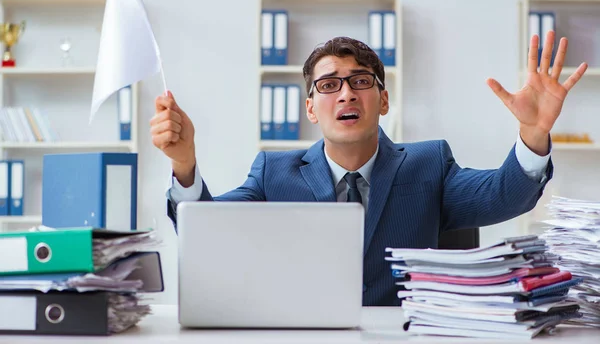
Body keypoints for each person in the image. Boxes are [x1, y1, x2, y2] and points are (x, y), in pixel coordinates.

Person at [151, 33, 587, 306]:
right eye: (329, 85)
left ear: (383, 101)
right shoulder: (273, 173)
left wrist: (532, 133)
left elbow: (504, 193)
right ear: (310, 108)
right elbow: (208, 230)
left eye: (361, 81)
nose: (345, 94)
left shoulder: (428, 164)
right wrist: (184, 163)